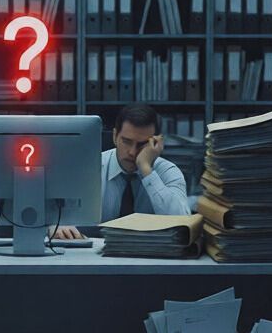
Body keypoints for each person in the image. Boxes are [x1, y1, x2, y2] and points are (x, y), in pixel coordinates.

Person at [53, 103, 191, 240]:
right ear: (115, 136)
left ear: (156, 143)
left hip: (151, 258)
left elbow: (182, 223)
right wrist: (54, 225)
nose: (132, 152)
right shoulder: (90, 169)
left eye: (142, 144)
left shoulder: (168, 172)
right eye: (126, 141)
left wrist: (146, 169)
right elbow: (54, 214)